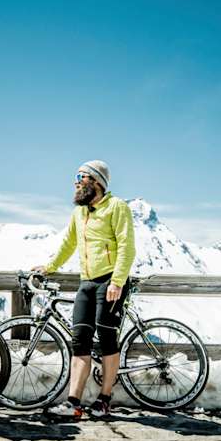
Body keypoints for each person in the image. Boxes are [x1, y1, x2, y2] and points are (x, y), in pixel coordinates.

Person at [33, 160, 135, 419]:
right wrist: (49, 266)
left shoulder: (117, 207)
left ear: (97, 181)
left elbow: (126, 247)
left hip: (109, 280)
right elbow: (69, 242)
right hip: (87, 283)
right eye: (76, 176)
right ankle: (73, 403)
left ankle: (104, 399)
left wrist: (117, 281)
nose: (76, 182)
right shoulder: (80, 212)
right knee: (79, 342)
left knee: (107, 339)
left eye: (82, 176)